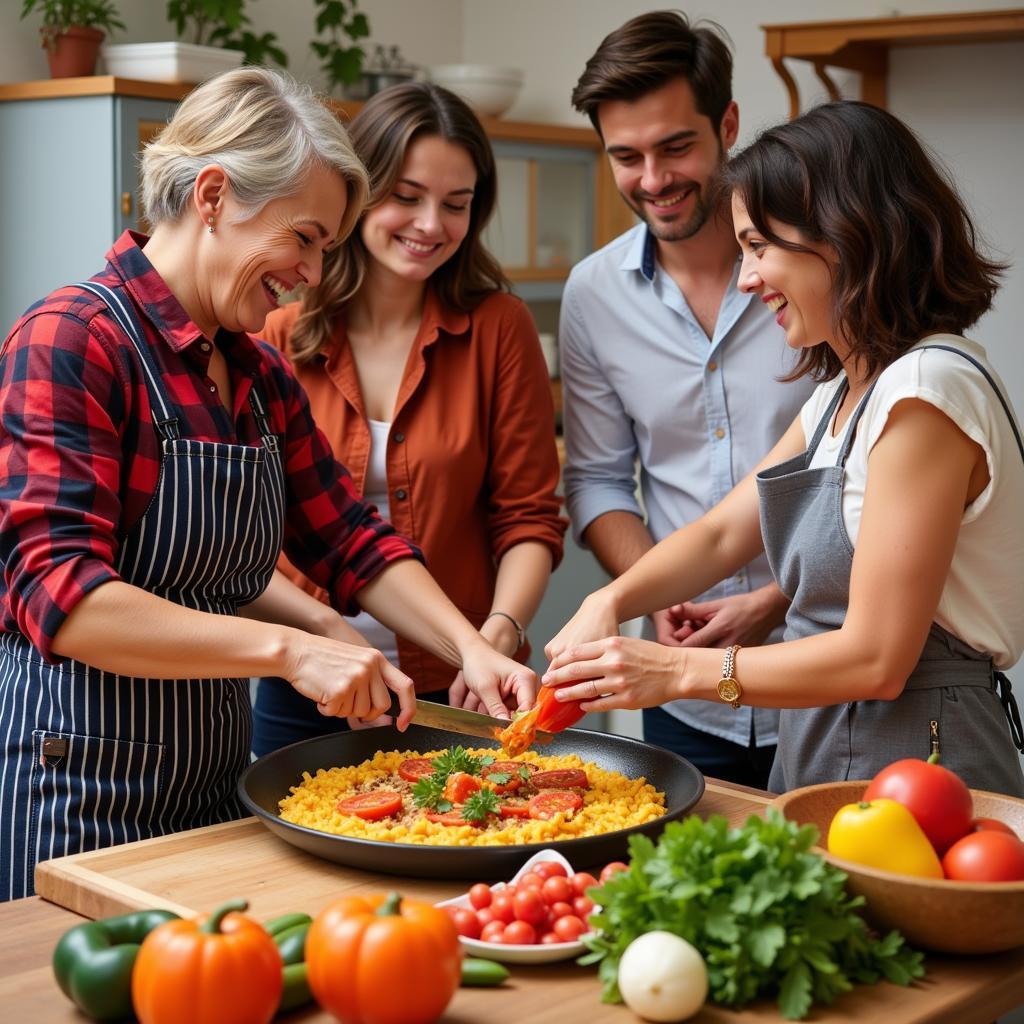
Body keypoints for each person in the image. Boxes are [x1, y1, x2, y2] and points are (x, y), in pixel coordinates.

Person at [0, 68, 538, 902]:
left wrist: (468, 645)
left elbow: (348, 536)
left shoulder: (254, 373)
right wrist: (295, 649)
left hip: (211, 785)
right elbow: (61, 596)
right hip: (76, 791)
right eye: (306, 237)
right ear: (213, 194)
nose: (315, 272)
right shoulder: (72, 340)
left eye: (325, 247)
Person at [543, 100, 1024, 797]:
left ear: (848, 234)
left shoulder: (926, 393)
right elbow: (716, 537)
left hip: (925, 759)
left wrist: (673, 672)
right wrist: (610, 601)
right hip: (829, 744)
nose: (746, 277)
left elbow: (877, 657)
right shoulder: (841, 392)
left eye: (760, 247)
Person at [250, 82, 565, 756]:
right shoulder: (274, 331)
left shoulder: (499, 329)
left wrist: (496, 634)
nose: (431, 225)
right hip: (308, 683)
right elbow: (243, 537)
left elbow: (528, 516)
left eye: (456, 205)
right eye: (407, 196)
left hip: (460, 684)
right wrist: (323, 640)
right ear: (358, 192)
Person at [558, 11, 814, 785]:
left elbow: (872, 472)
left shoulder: (815, 267)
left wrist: (773, 599)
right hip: (679, 696)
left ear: (727, 123)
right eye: (625, 156)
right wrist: (656, 591)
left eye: (676, 147)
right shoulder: (594, 295)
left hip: (827, 682)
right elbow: (598, 479)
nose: (653, 179)